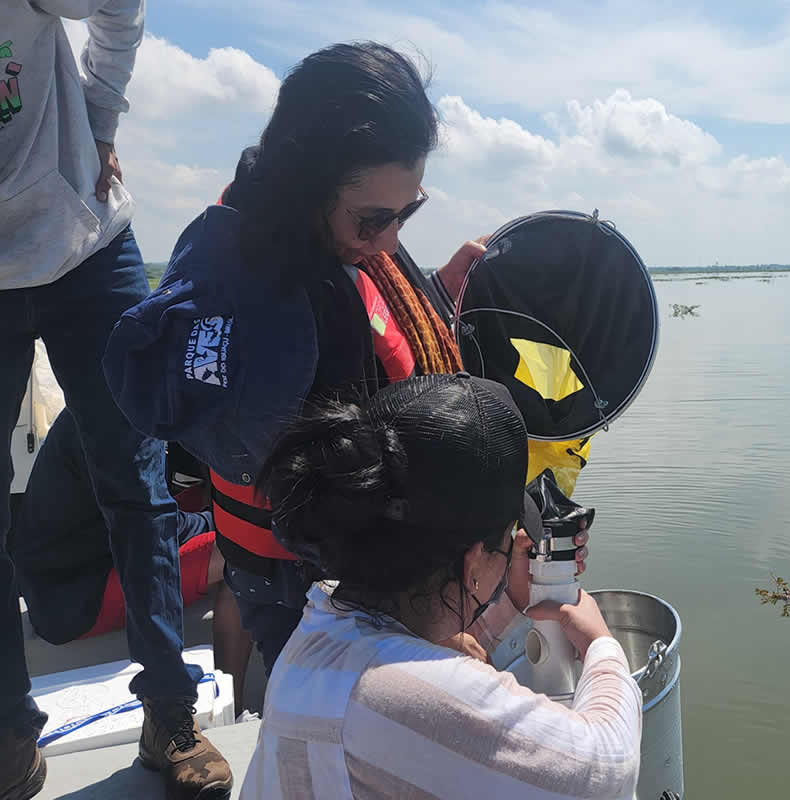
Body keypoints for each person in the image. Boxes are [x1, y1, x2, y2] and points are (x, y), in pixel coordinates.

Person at [102, 41, 588, 681]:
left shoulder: (288, 225)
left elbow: (368, 337)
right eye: (375, 219)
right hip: (307, 580)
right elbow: (345, 508)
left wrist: (436, 291)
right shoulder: (275, 314)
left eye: (409, 211)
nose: (390, 241)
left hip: (285, 557)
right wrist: (461, 594)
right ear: (308, 186)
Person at [1, 2, 231, 798]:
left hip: (83, 240)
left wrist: (99, 123)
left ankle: (169, 712)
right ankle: (7, 730)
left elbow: (117, 7)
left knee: (135, 481)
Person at [242, 373, 641, 800]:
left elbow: (424, 649)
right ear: (473, 561)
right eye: (508, 541)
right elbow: (606, 770)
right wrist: (601, 645)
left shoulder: (318, 630)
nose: (511, 553)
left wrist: (509, 599)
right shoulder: (415, 698)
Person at [9, 411, 252, 710]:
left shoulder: (97, 403)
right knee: (245, 550)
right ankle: (232, 707)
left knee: (213, 512)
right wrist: (223, 521)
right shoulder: (118, 423)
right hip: (77, 601)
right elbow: (154, 524)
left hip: (64, 579)